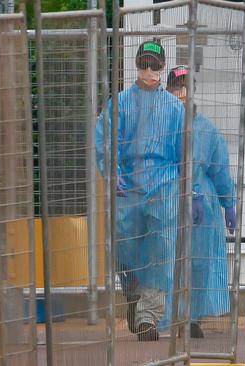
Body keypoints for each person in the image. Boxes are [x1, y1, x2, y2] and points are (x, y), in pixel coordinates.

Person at [96, 41, 195, 341]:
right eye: (144, 64)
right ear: (137, 64)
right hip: (127, 185)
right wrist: (111, 172)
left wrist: (190, 189)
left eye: (154, 65)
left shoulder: (175, 109)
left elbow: (185, 153)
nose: (149, 71)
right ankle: (134, 295)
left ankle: (147, 318)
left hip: (163, 184)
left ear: (162, 67)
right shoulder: (120, 103)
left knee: (162, 249)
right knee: (124, 250)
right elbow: (104, 140)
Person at [165, 65, 236, 338]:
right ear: (168, 90)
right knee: (171, 258)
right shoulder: (163, 126)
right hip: (169, 201)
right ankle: (169, 316)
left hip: (203, 210)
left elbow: (219, 167)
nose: (180, 92)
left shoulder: (207, 129)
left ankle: (192, 317)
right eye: (176, 87)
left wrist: (228, 203)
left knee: (200, 262)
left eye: (185, 87)